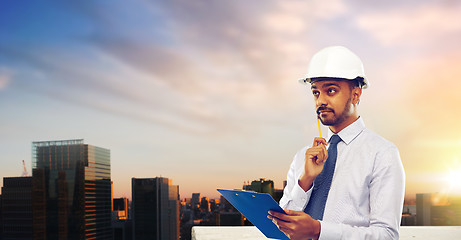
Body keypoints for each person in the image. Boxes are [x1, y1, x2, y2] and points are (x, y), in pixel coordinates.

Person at [267, 46, 405, 240]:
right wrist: (306, 179)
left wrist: (318, 230)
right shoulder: (303, 157)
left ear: (356, 95)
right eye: (315, 93)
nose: (320, 101)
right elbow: (282, 227)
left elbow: (387, 236)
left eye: (331, 91)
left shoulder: (382, 153)